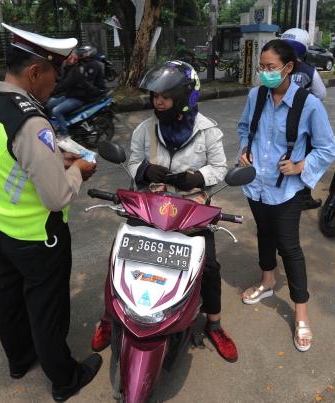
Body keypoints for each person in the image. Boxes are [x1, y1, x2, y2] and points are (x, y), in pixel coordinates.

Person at [0, 24, 100, 402]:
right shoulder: (30, 121)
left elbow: (7, 164)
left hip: (0, 228)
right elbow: (56, 197)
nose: (56, 84)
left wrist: (56, 159)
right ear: (35, 72)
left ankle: (19, 360)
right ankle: (65, 378)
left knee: (8, 297)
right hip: (38, 235)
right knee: (46, 308)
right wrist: (77, 170)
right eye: (55, 74)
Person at [91, 60, 238, 363]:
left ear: (185, 98)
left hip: (191, 215)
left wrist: (198, 178)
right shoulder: (145, 130)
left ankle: (215, 325)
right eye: (155, 96)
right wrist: (144, 171)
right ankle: (109, 317)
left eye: (165, 97)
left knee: (209, 268)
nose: (158, 102)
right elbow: (131, 162)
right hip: (150, 210)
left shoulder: (207, 131)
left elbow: (220, 168)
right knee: (120, 257)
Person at [237, 39, 335, 352]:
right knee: (264, 232)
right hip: (256, 185)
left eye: (271, 68)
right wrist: (244, 151)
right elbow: (244, 128)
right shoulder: (256, 95)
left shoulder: (308, 104)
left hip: (287, 190)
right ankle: (267, 282)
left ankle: (301, 312)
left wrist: (301, 165)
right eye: (261, 68)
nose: (264, 73)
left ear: (288, 68)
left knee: (289, 247)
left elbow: (327, 147)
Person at [282, 28, 327, 210]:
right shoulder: (309, 70)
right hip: (303, 124)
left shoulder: (276, 68)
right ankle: (304, 197)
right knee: (306, 158)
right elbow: (321, 94)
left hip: (278, 122)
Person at [46, 49, 93, 137]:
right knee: (49, 104)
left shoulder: (75, 70)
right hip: (69, 96)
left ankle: (65, 134)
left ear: (70, 59)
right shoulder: (69, 69)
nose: (63, 62)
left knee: (56, 111)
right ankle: (57, 124)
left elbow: (65, 84)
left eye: (65, 59)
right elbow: (62, 81)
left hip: (77, 98)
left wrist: (52, 93)